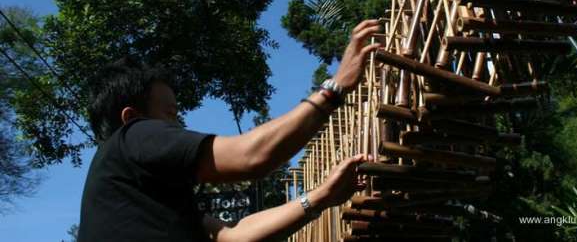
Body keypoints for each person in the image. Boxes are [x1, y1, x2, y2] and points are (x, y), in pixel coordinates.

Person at [78, 19, 381, 242]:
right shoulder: (132, 137)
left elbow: (234, 237)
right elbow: (252, 156)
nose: (176, 126)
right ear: (131, 118)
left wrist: (321, 196)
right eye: (169, 114)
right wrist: (334, 88)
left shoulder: (146, 200)